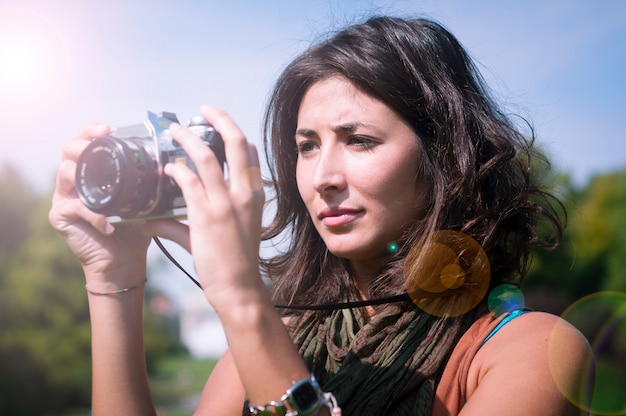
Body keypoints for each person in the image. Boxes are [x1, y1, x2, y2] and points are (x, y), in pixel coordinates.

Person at [49, 16, 593, 416]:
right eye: (306, 146)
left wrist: (242, 299)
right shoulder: (266, 343)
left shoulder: (530, 351)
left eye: (359, 141)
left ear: (447, 159)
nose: (322, 176)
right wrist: (112, 280)